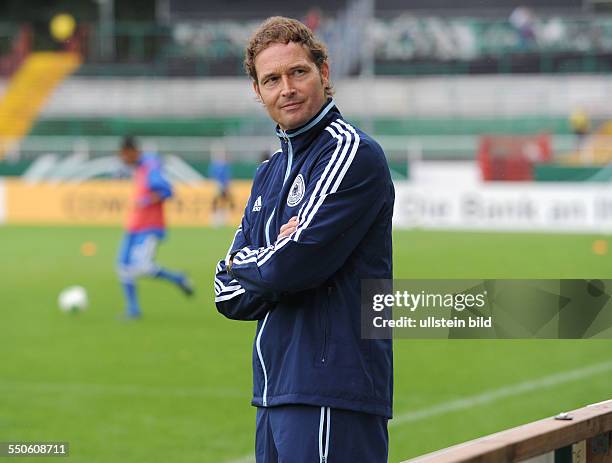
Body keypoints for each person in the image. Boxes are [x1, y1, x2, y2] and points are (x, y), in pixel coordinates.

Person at [214, 17, 394, 462]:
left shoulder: (352, 152)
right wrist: (271, 255)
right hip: (273, 389)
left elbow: (292, 264)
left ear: (324, 73)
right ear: (258, 92)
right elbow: (226, 292)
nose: (286, 88)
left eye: (298, 72)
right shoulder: (268, 173)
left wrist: (264, 259)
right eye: (271, 79)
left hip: (333, 389)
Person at [117, 136, 193, 319]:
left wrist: (148, 200)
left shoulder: (150, 166)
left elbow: (167, 190)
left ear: (132, 152)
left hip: (149, 227)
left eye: (124, 156)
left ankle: (178, 278)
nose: (123, 160)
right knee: (123, 267)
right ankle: (133, 309)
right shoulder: (140, 167)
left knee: (141, 267)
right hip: (134, 227)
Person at [208, 142, 235, 226]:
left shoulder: (225, 165)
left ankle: (223, 218)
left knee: (225, 201)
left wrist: (227, 185)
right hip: (218, 186)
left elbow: (228, 176)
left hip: (225, 186)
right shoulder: (215, 165)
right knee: (216, 201)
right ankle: (215, 218)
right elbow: (212, 175)